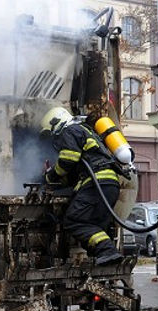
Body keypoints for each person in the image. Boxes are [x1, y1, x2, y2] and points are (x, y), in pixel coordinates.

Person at [40, 107, 122, 265]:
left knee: (74, 220)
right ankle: (105, 257)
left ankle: (107, 251)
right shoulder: (84, 130)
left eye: (51, 132)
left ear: (56, 123)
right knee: (95, 224)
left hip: (96, 183)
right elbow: (77, 166)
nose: (53, 138)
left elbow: (68, 158)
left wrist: (50, 176)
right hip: (110, 184)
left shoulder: (69, 131)